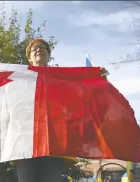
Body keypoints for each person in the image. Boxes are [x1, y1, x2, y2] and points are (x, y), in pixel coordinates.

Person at [15, 38, 109, 182]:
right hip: (26, 145)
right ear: (29, 58)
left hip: (53, 146)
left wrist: (96, 81)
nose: (39, 49)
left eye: (42, 47)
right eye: (34, 49)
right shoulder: (20, 79)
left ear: (48, 55)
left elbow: (81, 96)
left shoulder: (61, 79)